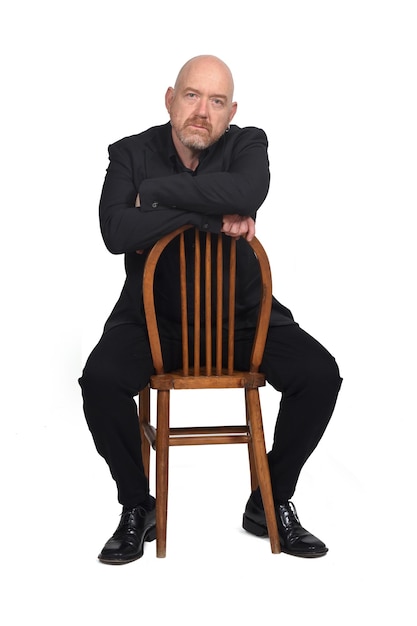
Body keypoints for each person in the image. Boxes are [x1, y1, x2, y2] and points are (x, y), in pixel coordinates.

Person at [79, 54, 342, 564]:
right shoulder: (131, 153)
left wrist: (152, 198)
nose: (203, 110)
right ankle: (138, 505)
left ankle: (269, 500)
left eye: (216, 101)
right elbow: (116, 232)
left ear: (231, 110)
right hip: (153, 319)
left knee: (320, 375)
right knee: (100, 381)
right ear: (170, 99)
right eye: (193, 96)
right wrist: (210, 216)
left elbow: (248, 191)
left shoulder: (247, 143)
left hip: (243, 316)